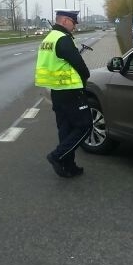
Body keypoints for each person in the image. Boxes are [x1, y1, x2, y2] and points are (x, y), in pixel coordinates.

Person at [34, 10, 91, 178]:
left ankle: (68, 165)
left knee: (65, 129)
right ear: (66, 21)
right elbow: (80, 65)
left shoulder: (48, 39)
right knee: (85, 126)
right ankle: (57, 156)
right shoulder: (63, 39)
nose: (75, 26)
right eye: (74, 22)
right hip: (71, 91)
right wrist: (84, 80)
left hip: (57, 92)